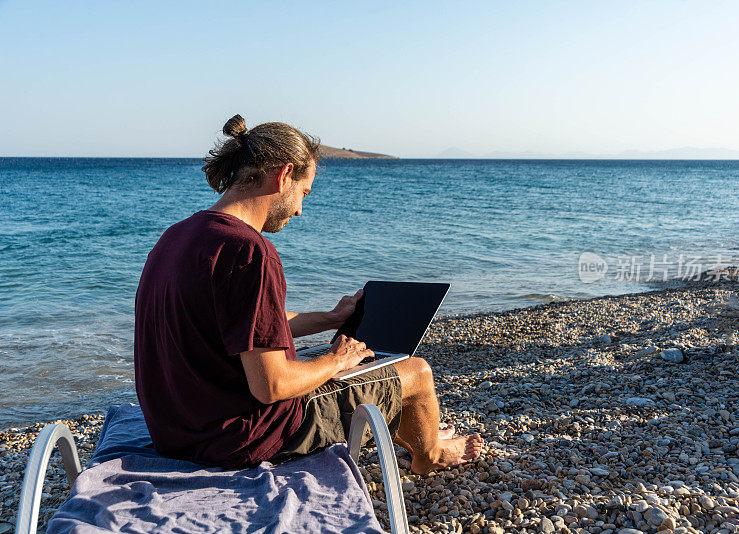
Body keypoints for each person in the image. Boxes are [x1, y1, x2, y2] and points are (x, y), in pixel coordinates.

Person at [134, 114, 482, 474]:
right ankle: (431, 456)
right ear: (283, 176)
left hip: (177, 433)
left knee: (358, 369)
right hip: (240, 439)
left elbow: (241, 325)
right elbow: (272, 386)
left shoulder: (176, 237)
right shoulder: (251, 251)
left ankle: (415, 432)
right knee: (415, 371)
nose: (300, 209)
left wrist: (330, 320)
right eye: (304, 193)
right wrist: (335, 362)